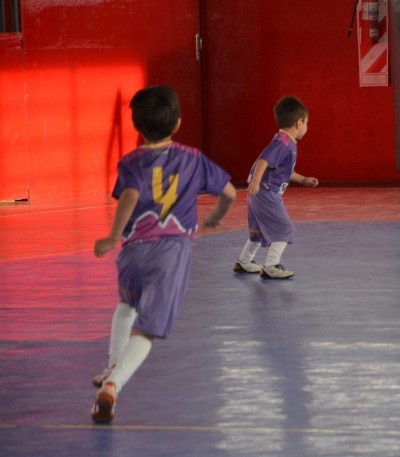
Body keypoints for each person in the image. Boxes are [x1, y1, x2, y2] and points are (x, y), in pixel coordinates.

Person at [91, 85, 236, 423]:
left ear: (137, 127)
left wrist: (113, 237)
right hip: (170, 253)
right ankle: (113, 384)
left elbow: (128, 196)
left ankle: (112, 362)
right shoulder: (193, 158)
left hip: (132, 253)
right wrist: (214, 218)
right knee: (148, 330)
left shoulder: (129, 162)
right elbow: (228, 192)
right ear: (178, 124)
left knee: (127, 304)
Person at [233, 96, 318, 279]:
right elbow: (264, 160)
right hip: (266, 193)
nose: (306, 127)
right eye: (307, 123)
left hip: (258, 194)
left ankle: (244, 261)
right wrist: (256, 182)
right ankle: (271, 266)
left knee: (257, 233)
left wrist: (302, 179)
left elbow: (282, 170)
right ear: (299, 122)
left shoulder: (283, 142)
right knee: (284, 228)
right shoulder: (283, 143)